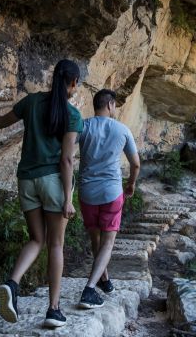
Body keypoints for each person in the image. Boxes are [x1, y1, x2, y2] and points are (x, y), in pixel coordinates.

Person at [0, 59, 83, 327]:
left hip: (26, 181)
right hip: (53, 183)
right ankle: (53, 309)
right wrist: (68, 199)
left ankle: (12, 284)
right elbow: (67, 161)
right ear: (72, 84)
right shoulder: (72, 115)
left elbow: (0, 123)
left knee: (36, 240)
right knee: (56, 244)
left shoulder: (32, 102)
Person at [76, 89, 140, 309]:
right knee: (108, 243)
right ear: (111, 104)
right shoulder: (122, 129)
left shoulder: (83, 126)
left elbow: (64, 151)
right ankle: (90, 289)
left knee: (96, 240)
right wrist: (131, 183)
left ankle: (105, 280)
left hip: (87, 192)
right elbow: (136, 163)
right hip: (112, 192)